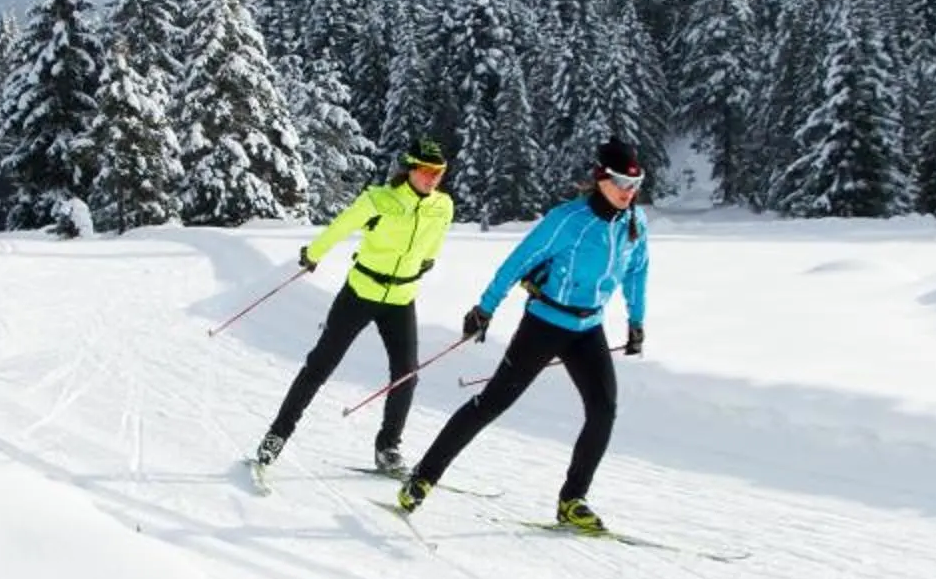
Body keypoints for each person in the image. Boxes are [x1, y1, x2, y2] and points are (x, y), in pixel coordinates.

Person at [397, 139, 649, 531]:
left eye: (635, 184)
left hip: (588, 328)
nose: (628, 192)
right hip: (545, 324)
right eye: (619, 182)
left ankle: (572, 500)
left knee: (603, 410)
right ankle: (423, 476)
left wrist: (636, 320)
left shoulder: (635, 222)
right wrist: (485, 308)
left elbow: (637, 270)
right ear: (600, 178)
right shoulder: (567, 220)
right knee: (492, 403)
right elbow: (519, 261)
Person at [250, 139, 457, 479]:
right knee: (321, 364)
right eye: (426, 171)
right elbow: (340, 227)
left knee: (407, 374)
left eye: (439, 172)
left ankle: (388, 447)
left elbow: (436, 240)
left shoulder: (442, 206)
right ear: (409, 169)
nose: (433, 178)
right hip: (361, 292)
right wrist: (313, 253)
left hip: (401, 299)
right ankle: (278, 434)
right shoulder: (378, 200)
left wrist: (426, 261)